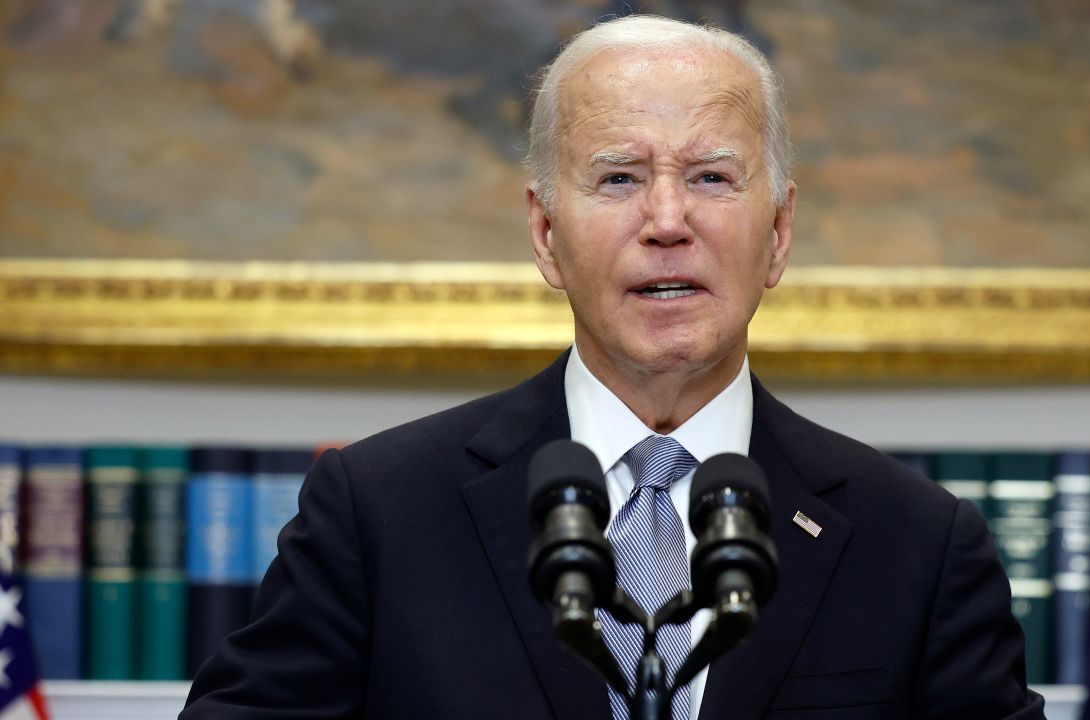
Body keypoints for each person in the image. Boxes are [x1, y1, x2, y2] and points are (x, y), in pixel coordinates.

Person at [182, 15, 1046, 719]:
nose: (667, 220)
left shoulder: (919, 544)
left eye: (711, 177)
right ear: (546, 234)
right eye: (620, 178)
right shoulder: (377, 513)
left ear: (778, 234)